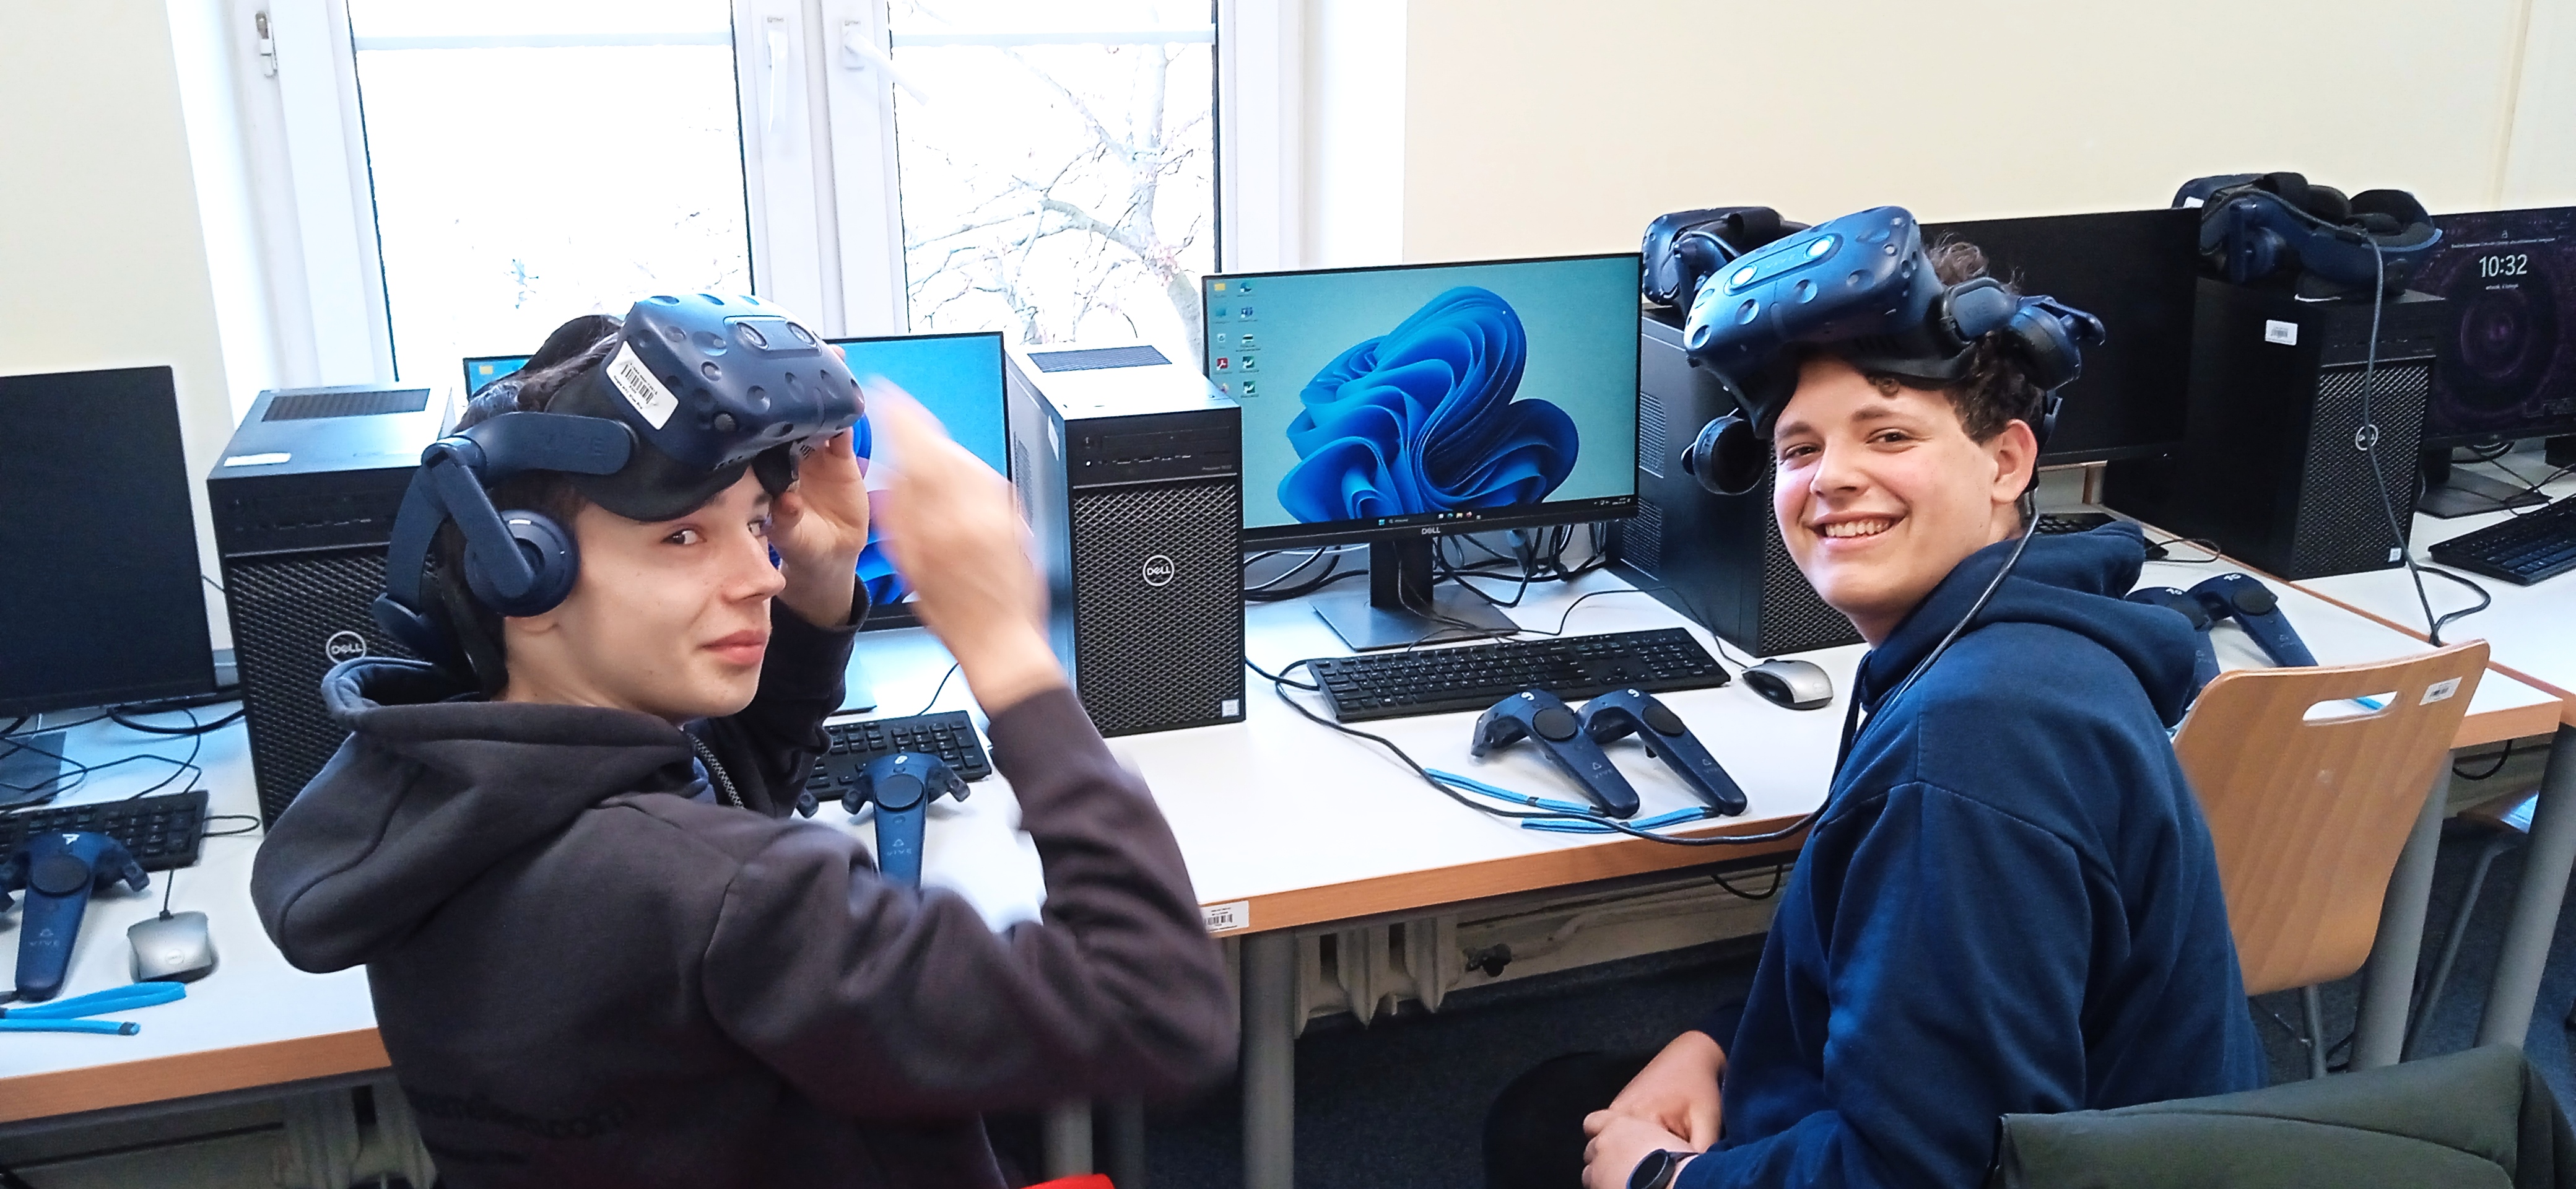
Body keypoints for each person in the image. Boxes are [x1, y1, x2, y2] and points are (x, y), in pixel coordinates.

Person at [251, 310, 1237, 1188]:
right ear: (522, 575)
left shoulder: (443, 800)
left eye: (757, 525)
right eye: (683, 538)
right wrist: (1009, 654)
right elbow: (1157, 1008)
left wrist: (822, 586)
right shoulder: (725, 896)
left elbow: (715, 800)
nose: (761, 575)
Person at [1487, 235, 2265, 1189]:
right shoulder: (2023, 646)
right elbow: (1888, 976)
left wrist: (1666, 1181)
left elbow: (1931, 1171)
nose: (1833, 478)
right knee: (1552, 1104)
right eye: (1801, 449)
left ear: (2006, 461)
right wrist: (1716, 1043)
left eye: (1889, 435)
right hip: (2090, 1141)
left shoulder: (1974, 741)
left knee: (1541, 1134)